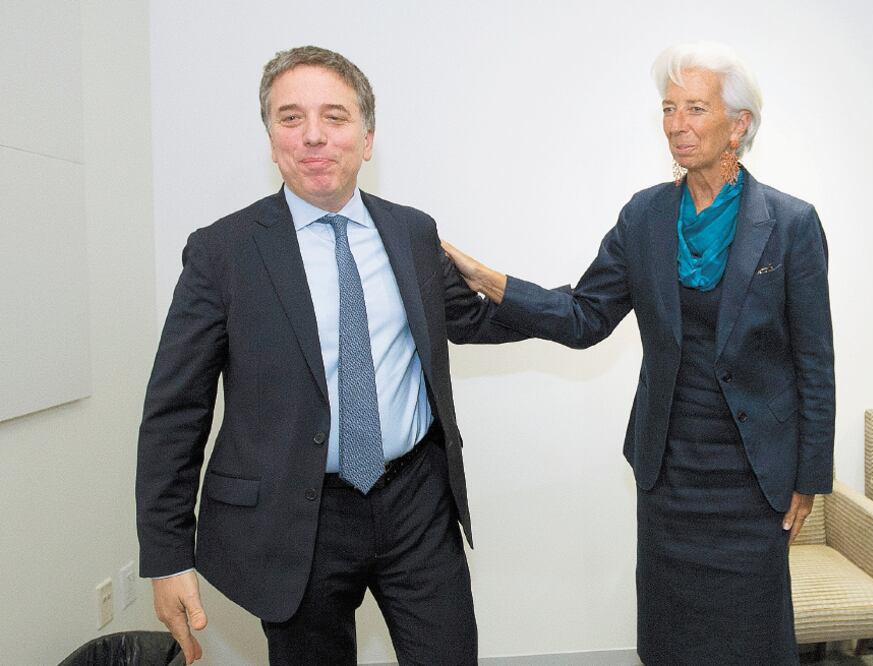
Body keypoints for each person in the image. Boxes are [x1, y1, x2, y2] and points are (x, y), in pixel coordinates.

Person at [443, 42, 835, 665]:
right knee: (672, 637)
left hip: (753, 480)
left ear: (739, 124)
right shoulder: (646, 215)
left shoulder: (790, 223)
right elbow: (583, 316)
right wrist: (490, 281)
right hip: (669, 472)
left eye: (695, 108)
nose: (677, 124)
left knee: (751, 641)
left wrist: (810, 479)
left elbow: (815, 362)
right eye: (668, 108)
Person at [136, 46, 512, 665]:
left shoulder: (413, 233)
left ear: (367, 139)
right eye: (291, 118)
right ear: (270, 137)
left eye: (335, 117)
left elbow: (474, 317)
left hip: (415, 503)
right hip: (293, 519)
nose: (313, 136)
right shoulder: (222, 252)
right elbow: (175, 412)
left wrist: (575, 302)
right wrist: (167, 553)